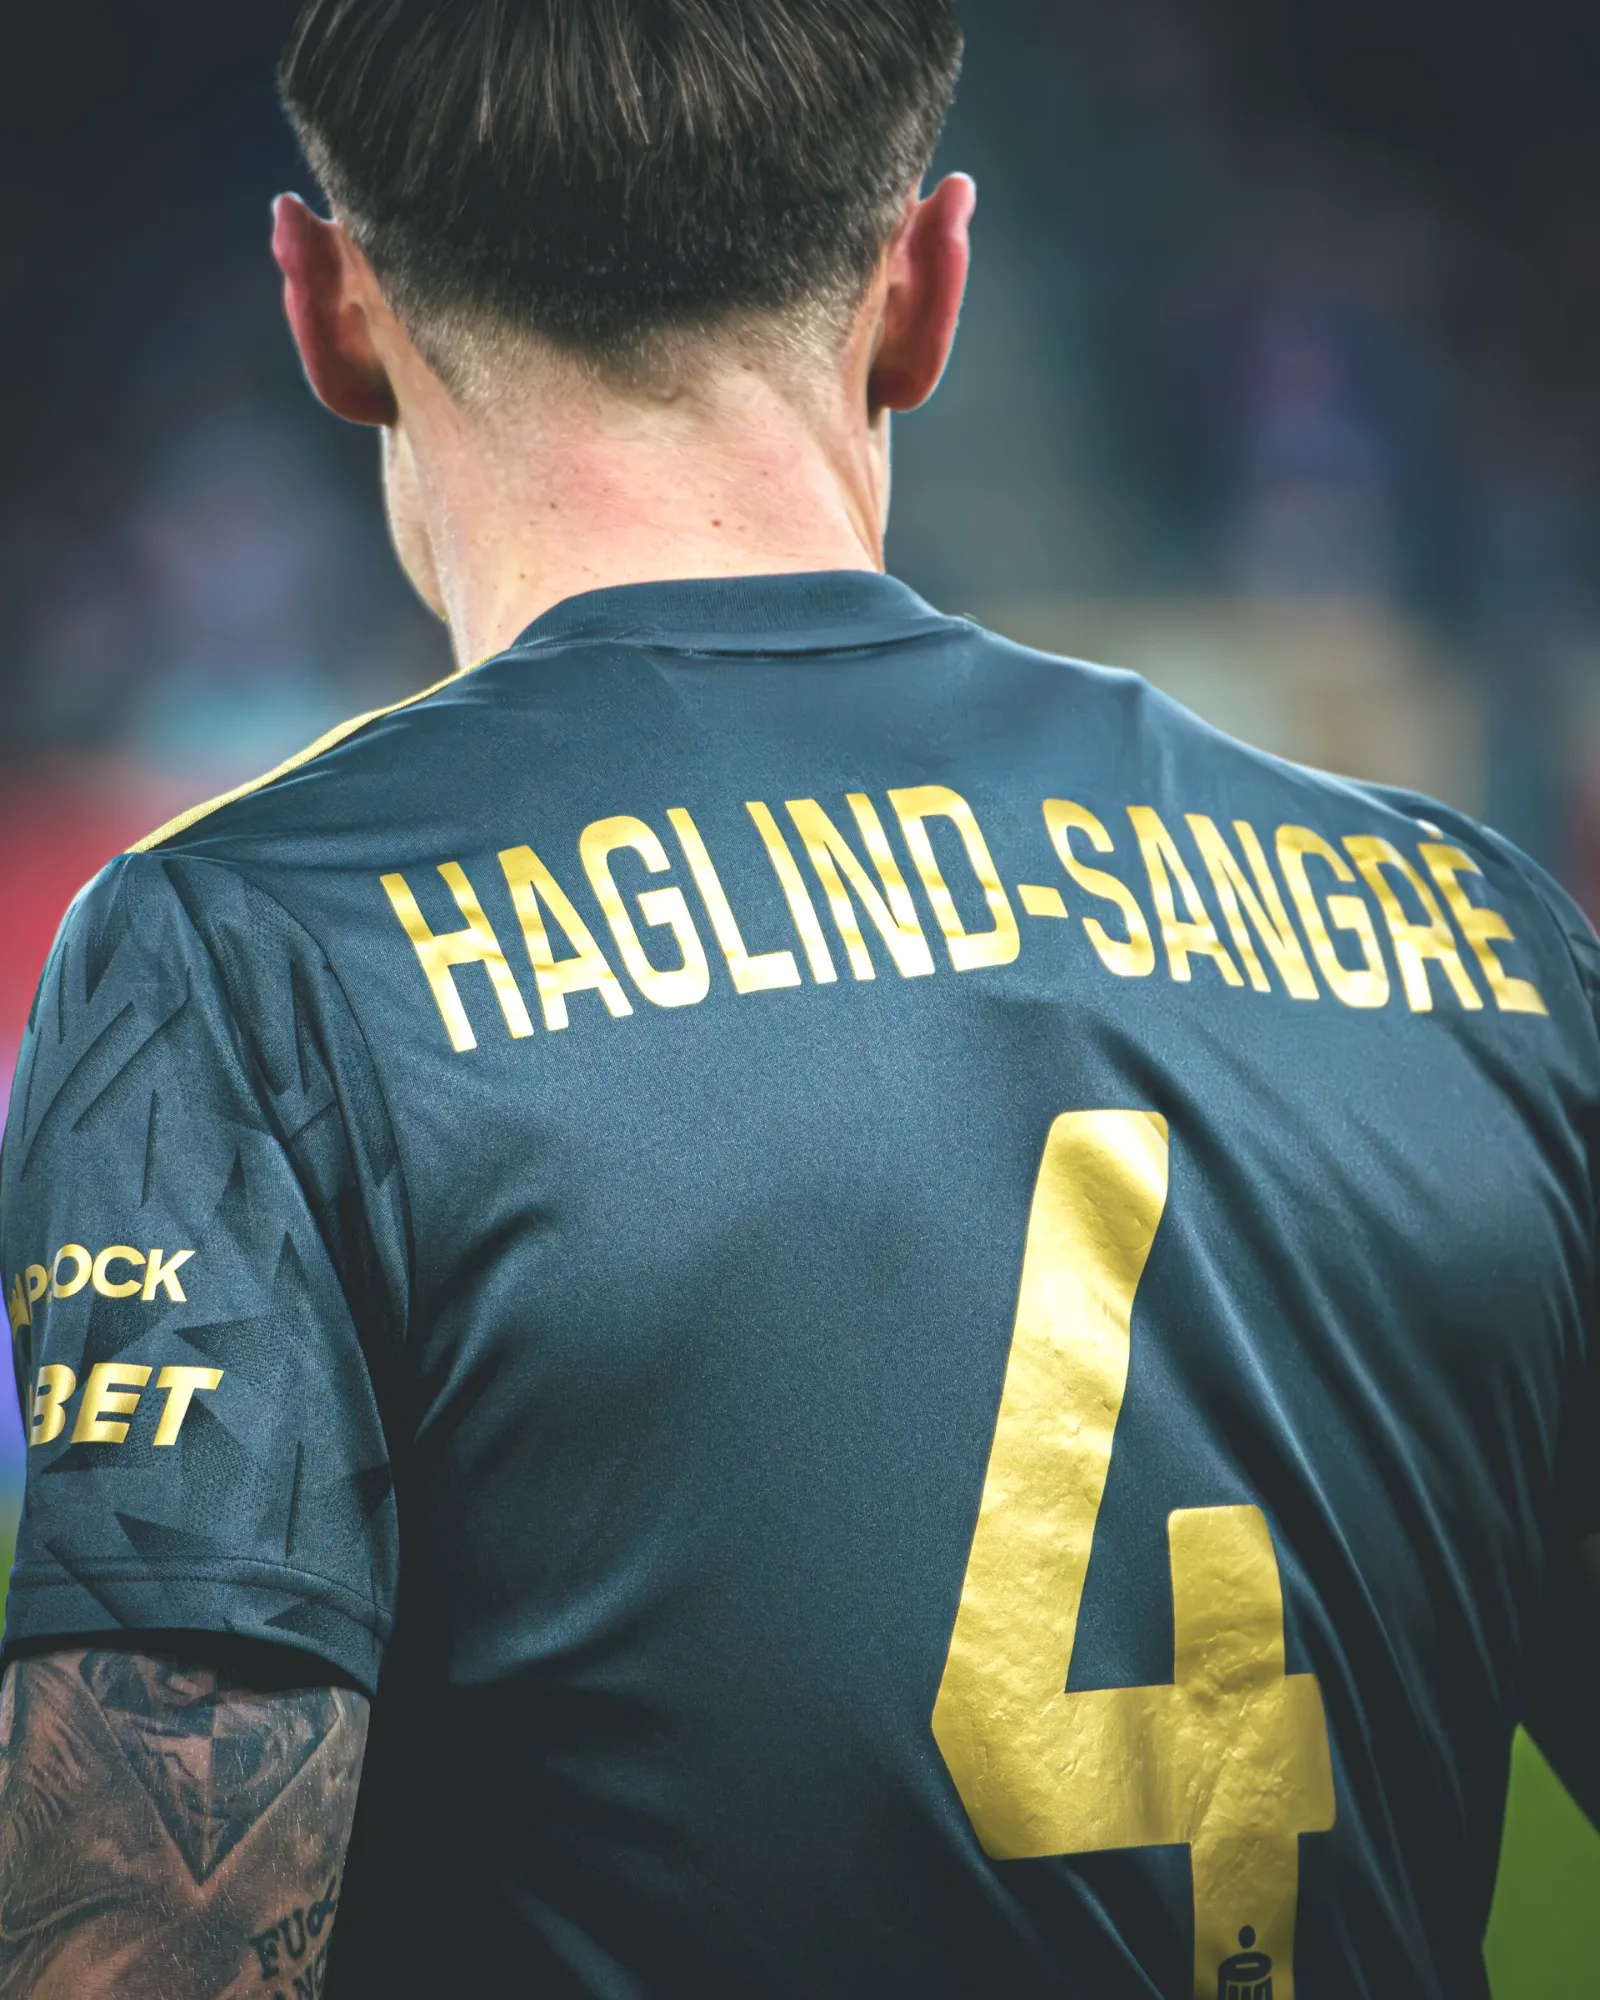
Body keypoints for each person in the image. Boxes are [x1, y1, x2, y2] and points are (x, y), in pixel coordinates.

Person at [1, 1, 1597, 1993]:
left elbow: (141, 1945)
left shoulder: (246, 960)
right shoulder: (1479, 942)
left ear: (326, 308)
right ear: (925, 287)